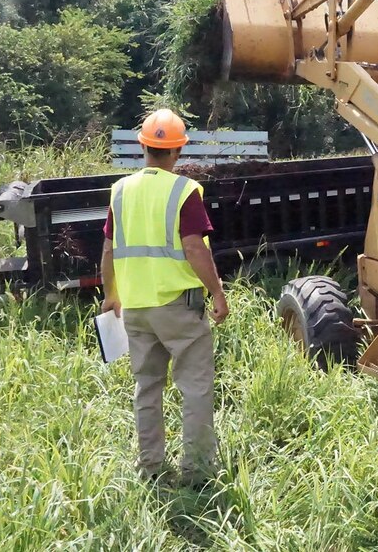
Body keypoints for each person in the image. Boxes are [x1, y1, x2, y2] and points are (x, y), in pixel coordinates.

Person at [99, 108, 230, 487]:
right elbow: (194, 248)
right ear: (178, 151)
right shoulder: (184, 191)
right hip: (178, 309)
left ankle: (151, 467)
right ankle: (197, 472)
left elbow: (108, 251)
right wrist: (218, 292)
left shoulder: (120, 190)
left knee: (147, 388)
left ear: (143, 146)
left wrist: (112, 296)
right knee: (195, 387)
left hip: (136, 308)